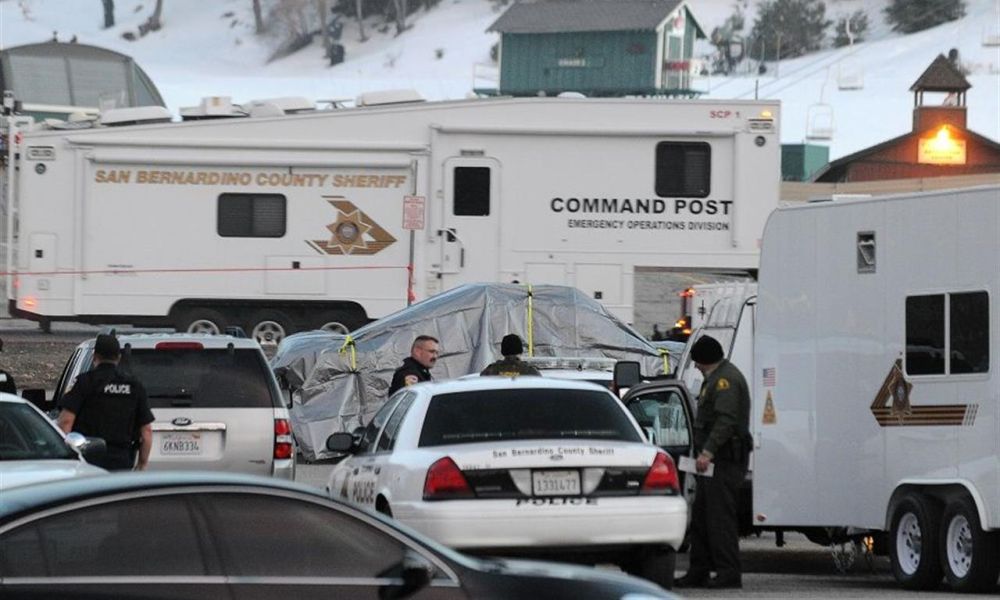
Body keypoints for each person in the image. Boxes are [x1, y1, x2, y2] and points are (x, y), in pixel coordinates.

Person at [676, 335, 751, 590]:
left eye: (697, 361)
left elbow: (726, 421)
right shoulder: (716, 378)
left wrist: (707, 452)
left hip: (724, 460)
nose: (695, 366)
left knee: (720, 519)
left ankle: (729, 573)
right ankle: (699, 570)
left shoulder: (725, 381)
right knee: (702, 518)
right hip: (714, 461)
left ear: (704, 360)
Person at [57, 333, 154, 471]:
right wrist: (142, 463)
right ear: (119, 358)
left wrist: (64, 457)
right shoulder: (134, 386)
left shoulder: (85, 382)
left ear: (94, 357)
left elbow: (66, 421)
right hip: (121, 460)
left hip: (88, 459)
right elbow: (147, 432)